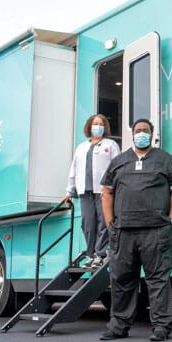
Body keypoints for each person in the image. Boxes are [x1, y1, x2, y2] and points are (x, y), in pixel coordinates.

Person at [99, 118, 172, 342]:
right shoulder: (118, 162)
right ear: (132, 135)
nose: (141, 134)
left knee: (157, 280)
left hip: (155, 231)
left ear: (152, 134)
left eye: (145, 131)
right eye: (138, 131)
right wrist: (110, 224)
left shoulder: (167, 160)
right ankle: (118, 326)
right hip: (123, 232)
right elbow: (106, 193)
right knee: (122, 280)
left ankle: (161, 327)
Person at [65, 114, 120, 268]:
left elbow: (117, 167)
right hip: (85, 191)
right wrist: (69, 191)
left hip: (103, 191)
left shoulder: (111, 144)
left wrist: (114, 187)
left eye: (101, 124)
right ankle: (90, 255)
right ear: (89, 126)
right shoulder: (81, 147)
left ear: (105, 127)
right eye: (95, 123)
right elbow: (73, 169)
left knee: (103, 222)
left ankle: (100, 254)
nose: (98, 126)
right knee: (87, 223)